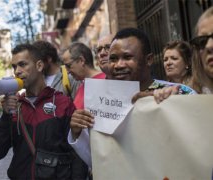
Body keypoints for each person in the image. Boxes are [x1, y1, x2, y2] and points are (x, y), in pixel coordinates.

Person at [67, 28, 196, 169]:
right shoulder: (102, 103)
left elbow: (197, 149)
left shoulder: (180, 94)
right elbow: (100, 160)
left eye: (127, 57)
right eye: (113, 59)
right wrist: (77, 132)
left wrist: (168, 106)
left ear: (149, 59)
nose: (118, 65)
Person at [0, 44, 88, 179]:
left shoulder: (62, 103)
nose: (17, 71)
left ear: (39, 66)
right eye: (14, 67)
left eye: (22, 64)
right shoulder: (15, 108)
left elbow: (77, 154)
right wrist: (6, 116)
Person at [153, 6, 213, 103]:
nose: (209, 46)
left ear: (187, 62)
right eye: (202, 41)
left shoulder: (200, 87)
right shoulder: (164, 90)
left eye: (174, 58)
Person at [61, 42, 106, 109]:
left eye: (68, 66)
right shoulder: (83, 85)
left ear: (81, 60)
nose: (67, 72)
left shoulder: (105, 81)